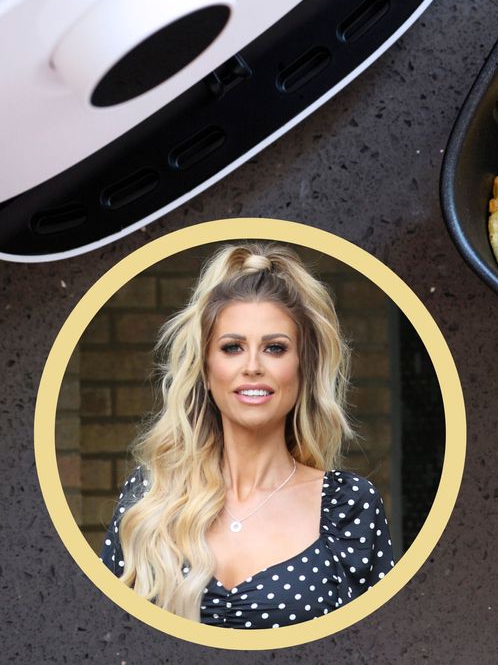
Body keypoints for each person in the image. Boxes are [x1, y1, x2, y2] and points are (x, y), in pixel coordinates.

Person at [100, 243, 394, 628]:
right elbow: (100, 632)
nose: (252, 366)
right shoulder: (150, 495)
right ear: (205, 370)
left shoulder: (350, 505)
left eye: (275, 348)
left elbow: (384, 640)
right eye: (232, 347)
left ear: (303, 368)